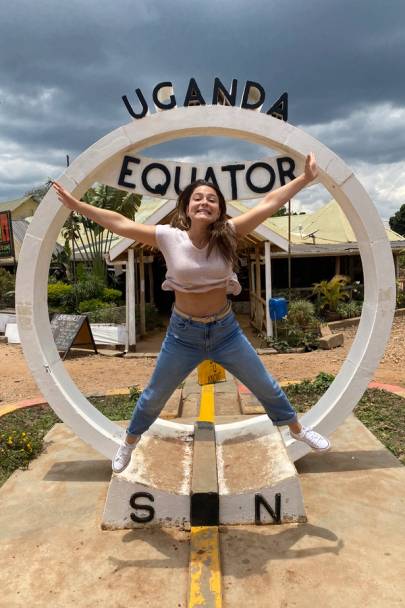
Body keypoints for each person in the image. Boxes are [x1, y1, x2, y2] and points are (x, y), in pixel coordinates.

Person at [52, 152, 330, 474]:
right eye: (197, 197)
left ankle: (298, 429)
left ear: (219, 209)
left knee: (265, 385)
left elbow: (268, 203)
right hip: (183, 334)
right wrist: (78, 206)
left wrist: (306, 179)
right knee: (155, 394)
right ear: (186, 206)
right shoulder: (169, 237)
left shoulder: (229, 233)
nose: (204, 202)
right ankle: (128, 442)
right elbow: (120, 223)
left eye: (211, 199)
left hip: (226, 331)